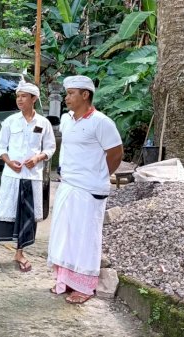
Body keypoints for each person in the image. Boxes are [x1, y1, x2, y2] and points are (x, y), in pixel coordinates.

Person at [47, 75, 123, 304]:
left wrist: (99, 175)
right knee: (65, 235)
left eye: (71, 93)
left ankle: (85, 287)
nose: (66, 97)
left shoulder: (101, 122)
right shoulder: (67, 119)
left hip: (89, 189)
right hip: (68, 185)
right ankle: (66, 281)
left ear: (85, 95)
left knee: (85, 237)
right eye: (67, 93)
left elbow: (116, 153)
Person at [0, 81, 56, 272]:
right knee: (4, 212)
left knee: (27, 215)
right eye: (18, 96)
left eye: (23, 96)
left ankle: (19, 253)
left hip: (32, 176)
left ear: (34, 99)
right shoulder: (10, 122)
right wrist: (8, 161)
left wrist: (38, 157)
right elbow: (1, 147)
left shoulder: (43, 123)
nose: (19, 99)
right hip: (12, 176)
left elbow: (50, 148)